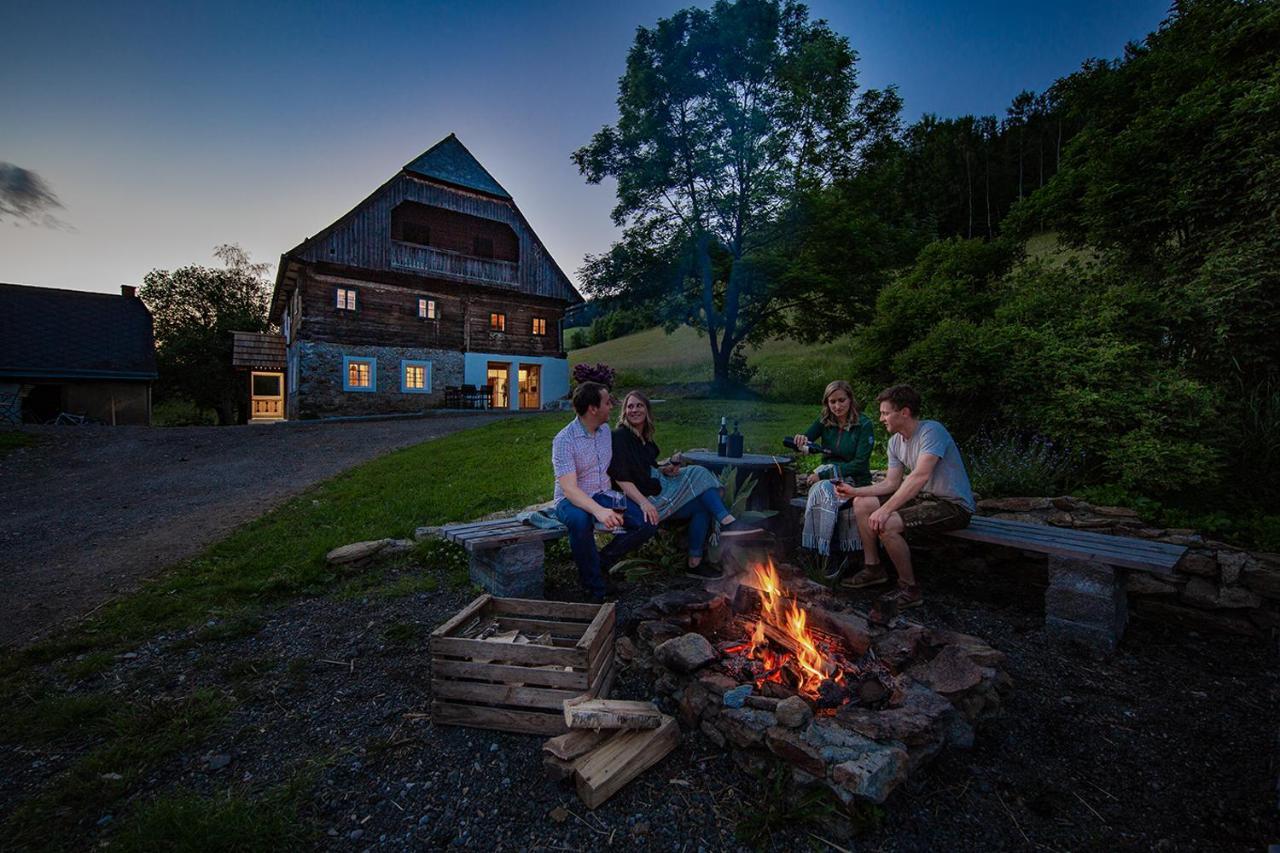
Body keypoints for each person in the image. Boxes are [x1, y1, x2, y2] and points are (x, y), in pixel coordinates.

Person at [835, 385, 975, 609]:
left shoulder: (932, 432)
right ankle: (873, 568)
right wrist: (854, 492)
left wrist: (886, 509)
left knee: (886, 524)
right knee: (862, 504)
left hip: (952, 505)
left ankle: (909, 588)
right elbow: (891, 483)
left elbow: (919, 476)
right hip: (924, 499)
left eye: (885, 413)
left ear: (905, 412)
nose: (881, 419)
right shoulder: (895, 442)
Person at [607, 391, 761, 579]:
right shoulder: (620, 436)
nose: (634, 410)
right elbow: (621, 476)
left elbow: (644, 467)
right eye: (630, 406)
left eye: (639, 405)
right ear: (624, 412)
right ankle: (728, 522)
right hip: (646, 497)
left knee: (703, 504)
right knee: (698, 472)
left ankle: (694, 564)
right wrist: (643, 503)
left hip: (655, 486)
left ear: (647, 410)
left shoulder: (643, 438)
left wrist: (664, 468)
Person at [552, 382, 657, 602]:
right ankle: (595, 591)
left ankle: (599, 563)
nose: (611, 406)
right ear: (593, 408)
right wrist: (599, 511)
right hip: (570, 499)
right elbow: (569, 489)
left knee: (646, 523)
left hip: (603, 494)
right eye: (607, 402)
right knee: (580, 521)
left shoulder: (605, 433)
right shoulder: (564, 440)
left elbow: (632, 450)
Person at [791, 380, 875, 580]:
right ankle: (821, 551)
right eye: (832, 402)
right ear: (826, 403)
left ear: (850, 399)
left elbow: (860, 463)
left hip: (854, 477)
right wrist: (800, 440)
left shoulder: (864, 424)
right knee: (823, 490)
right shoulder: (825, 421)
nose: (837, 406)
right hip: (827, 476)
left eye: (841, 400)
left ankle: (829, 553)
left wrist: (824, 475)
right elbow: (806, 441)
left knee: (822, 490)